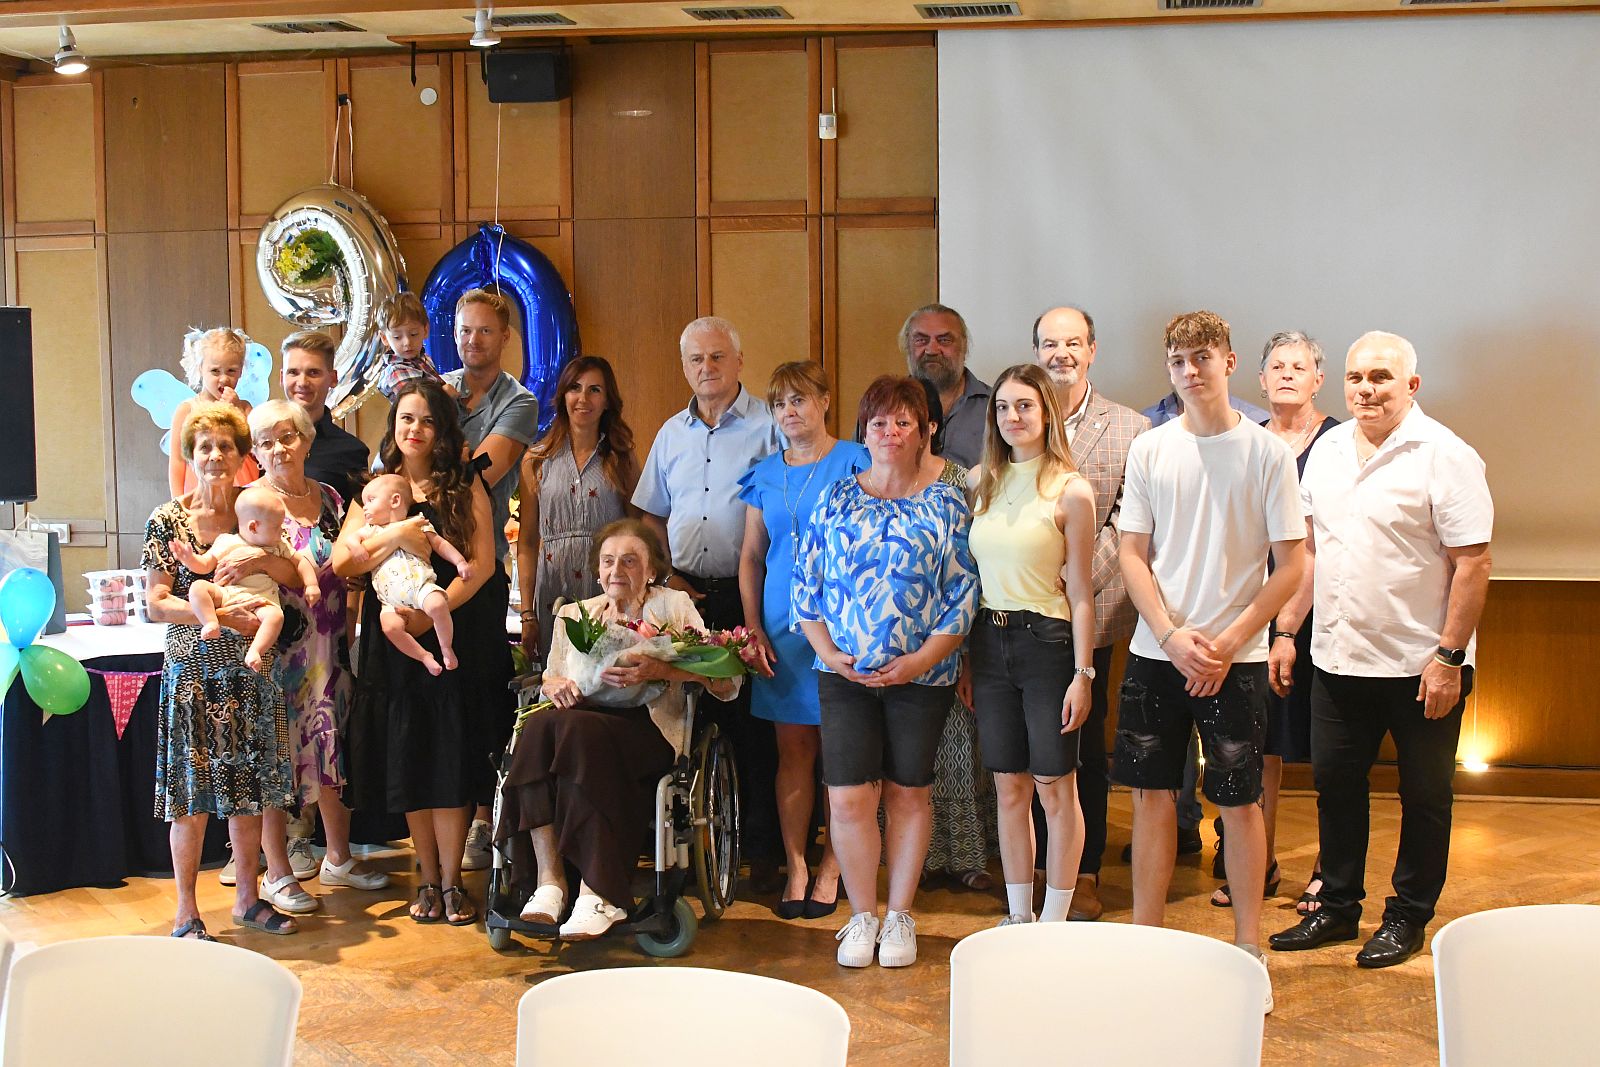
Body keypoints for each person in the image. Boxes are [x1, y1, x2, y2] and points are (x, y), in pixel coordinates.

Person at [1269, 331, 1492, 969]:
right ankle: (1337, 907)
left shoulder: (1446, 455)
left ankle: (1408, 916)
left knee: (1424, 797)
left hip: (1422, 666)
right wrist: (1286, 630)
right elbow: (1311, 551)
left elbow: (1473, 563)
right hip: (1338, 659)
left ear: (1411, 386)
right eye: (1356, 378)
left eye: (1380, 378)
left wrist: (1449, 658)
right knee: (1336, 788)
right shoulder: (1329, 449)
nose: (1366, 389)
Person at [1115, 311, 1305, 1012]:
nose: (1190, 371)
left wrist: (1228, 641)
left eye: (1202, 357)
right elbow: (1132, 553)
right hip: (1157, 653)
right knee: (1151, 798)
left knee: (1238, 801)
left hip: (1237, 657)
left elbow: (1292, 566)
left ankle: (1248, 947)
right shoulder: (1150, 448)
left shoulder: (1266, 453)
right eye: (1178, 360)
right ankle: (1147, 942)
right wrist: (1169, 634)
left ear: (1228, 361)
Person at [795, 375, 979, 969]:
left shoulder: (948, 502)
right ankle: (861, 915)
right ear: (864, 431)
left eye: (904, 422)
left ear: (925, 431)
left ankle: (899, 914)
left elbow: (963, 594)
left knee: (908, 792)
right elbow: (806, 587)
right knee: (848, 797)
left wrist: (920, 660)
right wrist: (830, 653)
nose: (890, 432)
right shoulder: (836, 498)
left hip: (921, 677)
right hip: (844, 676)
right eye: (879, 422)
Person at [497, 519, 742, 939]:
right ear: (597, 570)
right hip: (578, 729)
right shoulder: (574, 615)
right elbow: (552, 679)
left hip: (648, 730)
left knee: (576, 735)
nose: (617, 570)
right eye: (609, 561)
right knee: (538, 728)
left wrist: (662, 670)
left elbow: (726, 681)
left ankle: (599, 894)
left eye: (630, 561)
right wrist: (552, 685)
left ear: (651, 571)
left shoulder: (673, 607)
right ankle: (549, 883)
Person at [335, 381, 502, 927]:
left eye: (428, 420)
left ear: (443, 429)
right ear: (393, 426)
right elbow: (343, 562)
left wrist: (434, 613)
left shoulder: (463, 483)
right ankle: (426, 877)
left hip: (450, 628)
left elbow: (482, 564)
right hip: (392, 645)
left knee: (448, 758)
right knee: (410, 755)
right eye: (406, 418)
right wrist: (399, 534)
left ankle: (453, 882)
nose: (415, 429)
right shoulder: (376, 489)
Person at [633, 316, 784, 891]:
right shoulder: (671, 433)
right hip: (685, 596)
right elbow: (652, 513)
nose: (707, 368)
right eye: (696, 359)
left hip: (751, 595)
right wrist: (667, 575)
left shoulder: (769, 427)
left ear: (739, 361)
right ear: (685, 367)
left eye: (718, 356)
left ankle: (762, 852)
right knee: (692, 725)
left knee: (756, 729)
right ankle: (697, 853)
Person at [144, 403, 298, 940]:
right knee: (190, 798)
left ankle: (249, 900)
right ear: (190, 454)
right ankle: (186, 912)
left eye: (225, 446)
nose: (214, 456)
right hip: (193, 674)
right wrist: (222, 617)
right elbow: (157, 603)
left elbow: (293, 573)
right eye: (204, 446)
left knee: (249, 793)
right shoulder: (168, 520)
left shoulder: (258, 506)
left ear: (241, 456)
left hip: (251, 673)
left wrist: (260, 563)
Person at [1209, 332, 1339, 911]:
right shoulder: (1247, 441)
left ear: (1318, 379)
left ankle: (1330, 871)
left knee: (1330, 750)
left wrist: (1288, 628)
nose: (1287, 374)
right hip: (1251, 613)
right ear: (1259, 381)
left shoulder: (1337, 444)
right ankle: (1257, 864)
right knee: (1257, 747)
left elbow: (1314, 548)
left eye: (1299, 366)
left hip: (1322, 617)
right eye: (1277, 366)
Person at [967, 364, 1098, 926]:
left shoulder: (1070, 489)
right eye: (1002, 407)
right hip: (988, 642)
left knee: (1055, 789)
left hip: (1047, 643)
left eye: (1024, 406)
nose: (1012, 417)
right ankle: (1019, 915)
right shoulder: (981, 481)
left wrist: (1083, 675)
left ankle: (1054, 919)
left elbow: (1083, 593)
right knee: (1009, 787)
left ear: (1047, 412)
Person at [248, 399, 390, 911]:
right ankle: (276, 872)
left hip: (329, 646)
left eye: (287, 437)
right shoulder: (253, 503)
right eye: (266, 442)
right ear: (256, 452)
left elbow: (350, 566)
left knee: (332, 748)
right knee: (276, 759)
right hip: (279, 650)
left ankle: (338, 858)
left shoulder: (329, 497)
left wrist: (350, 621)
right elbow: (252, 569)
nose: (278, 449)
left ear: (307, 440)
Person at [1031, 304, 1150, 920]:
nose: (1061, 354)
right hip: (1022, 614)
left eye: (1073, 343)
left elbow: (1128, 522)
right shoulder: (1017, 415)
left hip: (1094, 612)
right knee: (1033, 745)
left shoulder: (1131, 428)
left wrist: (1069, 579)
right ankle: (1036, 869)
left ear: (1093, 350)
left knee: (1083, 747)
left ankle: (1085, 870)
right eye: (1050, 344)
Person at [737, 361, 866, 919]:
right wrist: (752, 625)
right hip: (780, 631)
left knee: (841, 755)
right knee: (792, 752)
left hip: (840, 627)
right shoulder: (764, 473)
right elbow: (750, 557)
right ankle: (796, 864)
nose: (789, 412)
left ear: (825, 401)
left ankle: (833, 865)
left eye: (799, 400)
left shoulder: (856, 460)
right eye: (779, 403)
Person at [441, 288, 539, 871]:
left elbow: (483, 470)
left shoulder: (518, 402)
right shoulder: (436, 388)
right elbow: (396, 459)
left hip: (480, 566)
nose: (472, 340)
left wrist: (436, 453)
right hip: (422, 562)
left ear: (504, 338)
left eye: (484, 331)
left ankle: (483, 817)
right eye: (464, 330)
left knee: (480, 697)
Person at [912, 378, 998, 893]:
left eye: (911, 418)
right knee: (911, 761)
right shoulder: (868, 481)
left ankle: (967, 855)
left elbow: (972, 568)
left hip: (953, 637)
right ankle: (916, 857)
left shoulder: (959, 480)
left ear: (930, 424)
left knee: (961, 751)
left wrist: (966, 656)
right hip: (896, 647)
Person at [517, 356, 638, 662]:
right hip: (553, 591)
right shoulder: (536, 460)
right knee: (559, 679)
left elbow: (637, 534)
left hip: (609, 590)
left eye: (594, 390)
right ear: (563, 396)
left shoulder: (621, 459)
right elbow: (527, 542)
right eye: (575, 388)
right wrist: (527, 613)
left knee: (609, 676)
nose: (583, 398)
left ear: (607, 400)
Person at [169, 486, 316, 674]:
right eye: (277, 527)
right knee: (198, 588)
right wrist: (189, 559)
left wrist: (311, 585)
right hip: (226, 594)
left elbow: (300, 562)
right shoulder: (227, 541)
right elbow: (204, 565)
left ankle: (256, 650)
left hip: (261, 601)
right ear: (254, 527)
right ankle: (210, 621)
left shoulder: (279, 545)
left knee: (276, 616)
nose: (283, 530)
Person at [346, 475, 473, 675]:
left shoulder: (417, 523)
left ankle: (446, 647)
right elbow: (351, 539)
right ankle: (423, 656)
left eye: (371, 500)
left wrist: (459, 561)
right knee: (390, 627)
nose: (365, 507)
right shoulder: (371, 530)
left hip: (421, 586)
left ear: (395, 500)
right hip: (389, 601)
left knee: (438, 605)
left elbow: (439, 544)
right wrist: (356, 547)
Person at [167, 327, 260, 497]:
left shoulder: (245, 408)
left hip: (242, 492)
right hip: (200, 492)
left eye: (231, 371)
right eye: (215, 371)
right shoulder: (187, 410)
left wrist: (237, 409)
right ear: (201, 369)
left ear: (241, 370)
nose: (224, 379)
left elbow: (257, 449)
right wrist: (177, 502)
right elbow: (177, 461)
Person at [282, 330, 369, 508]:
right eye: (293, 372)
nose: (302, 382)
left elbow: (358, 517)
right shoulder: (258, 440)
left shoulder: (352, 451)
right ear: (281, 377)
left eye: (313, 372)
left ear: (333, 378)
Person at [900, 304, 990, 468]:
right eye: (921, 340)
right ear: (907, 346)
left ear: (964, 346)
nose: (932, 350)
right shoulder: (881, 407)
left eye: (944, 340)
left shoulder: (996, 408)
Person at [374, 292, 447, 401]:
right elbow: (420, 403)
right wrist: (447, 394)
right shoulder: (396, 372)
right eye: (397, 337)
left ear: (425, 330)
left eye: (413, 334)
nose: (407, 342)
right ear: (384, 338)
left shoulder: (425, 359)